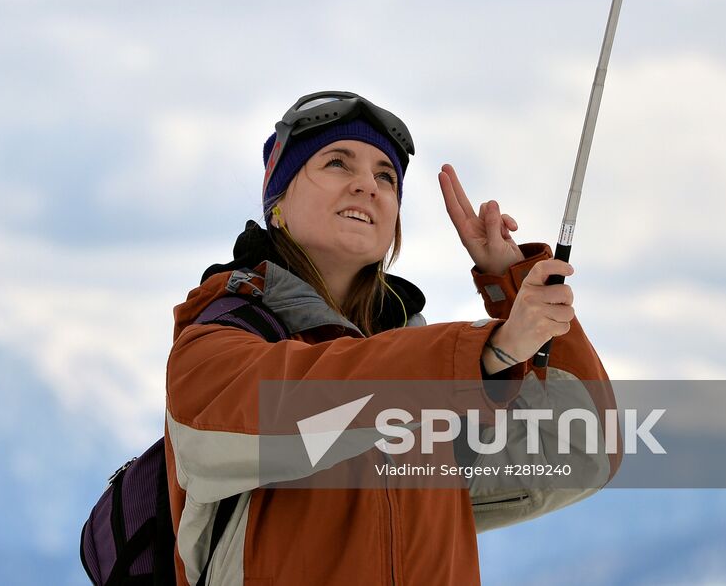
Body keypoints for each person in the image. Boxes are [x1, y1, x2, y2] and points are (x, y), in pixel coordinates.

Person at [163, 91, 615, 586]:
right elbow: (291, 404)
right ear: (278, 200)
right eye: (337, 163)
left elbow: (580, 447)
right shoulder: (216, 340)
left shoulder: (430, 387)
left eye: (386, 176)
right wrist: (486, 355)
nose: (367, 185)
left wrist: (511, 283)